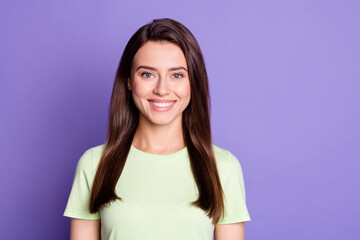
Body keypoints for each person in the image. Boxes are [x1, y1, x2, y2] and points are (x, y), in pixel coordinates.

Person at [63, 18, 251, 240]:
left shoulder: (223, 167)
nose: (162, 89)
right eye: (148, 74)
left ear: (194, 82)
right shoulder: (95, 163)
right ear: (129, 80)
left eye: (177, 75)